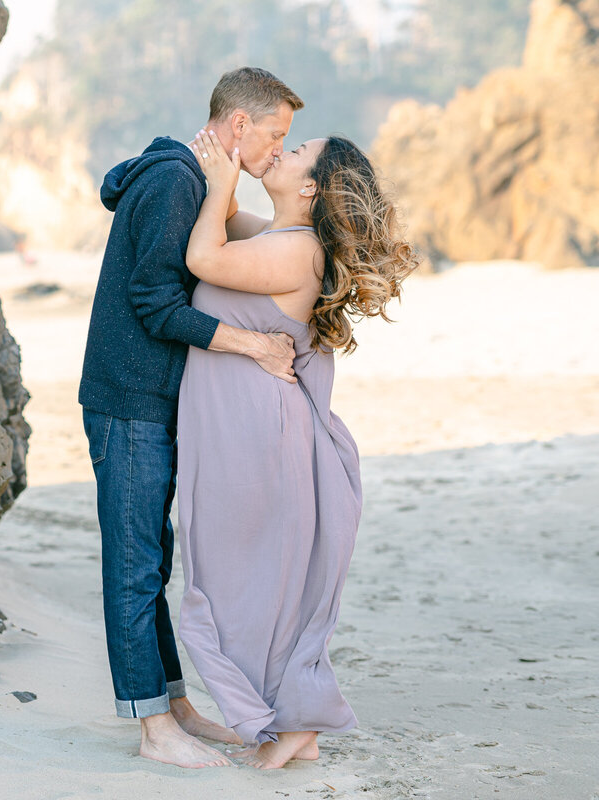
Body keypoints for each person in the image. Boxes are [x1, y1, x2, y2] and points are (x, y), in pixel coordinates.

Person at [78, 67, 304, 769]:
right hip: (128, 401)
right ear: (239, 126)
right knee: (135, 563)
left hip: (149, 401)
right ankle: (153, 729)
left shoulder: (197, 183)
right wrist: (255, 347)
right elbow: (155, 302)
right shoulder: (177, 183)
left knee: (154, 558)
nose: (276, 150)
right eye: (275, 135)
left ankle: (172, 705)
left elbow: (248, 252)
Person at [177, 129, 418, 769]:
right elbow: (226, 222)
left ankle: (294, 722)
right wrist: (228, 163)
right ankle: (295, 723)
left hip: (257, 435)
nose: (282, 153)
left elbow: (205, 257)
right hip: (237, 430)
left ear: (311, 186)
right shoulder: (281, 237)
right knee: (243, 579)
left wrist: (223, 184)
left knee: (252, 582)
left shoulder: (300, 251)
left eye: (296, 150)